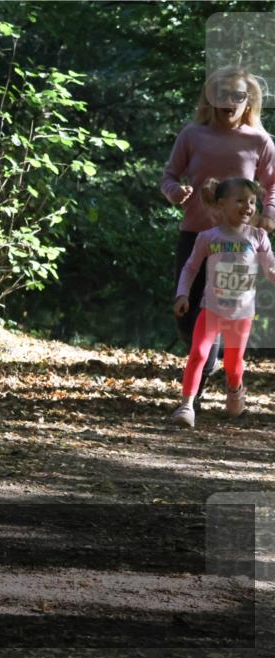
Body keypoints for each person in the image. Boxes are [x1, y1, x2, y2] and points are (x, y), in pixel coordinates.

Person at [160, 66, 275, 410]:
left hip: (239, 244)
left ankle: (204, 376)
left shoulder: (259, 141)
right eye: (222, 95)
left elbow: (273, 186)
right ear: (210, 99)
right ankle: (206, 359)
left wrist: (269, 213)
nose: (229, 102)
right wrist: (174, 193)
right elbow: (168, 176)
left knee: (226, 312)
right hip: (195, 234)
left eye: (237, 96)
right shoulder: (192, 135)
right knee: (186, 314)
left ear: (248, 101)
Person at [171, 177, 275, 428]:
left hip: (241, 315)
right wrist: (182, 294)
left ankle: (235, 389)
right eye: (239, 200)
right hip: (212, 309)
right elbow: (190, 267)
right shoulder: (208, 237)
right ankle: (187, 405)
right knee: (198, 353)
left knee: (233, 364)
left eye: (252, 202)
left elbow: (271, 270)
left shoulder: (258, 237)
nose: (247, 207)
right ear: (221, 204)